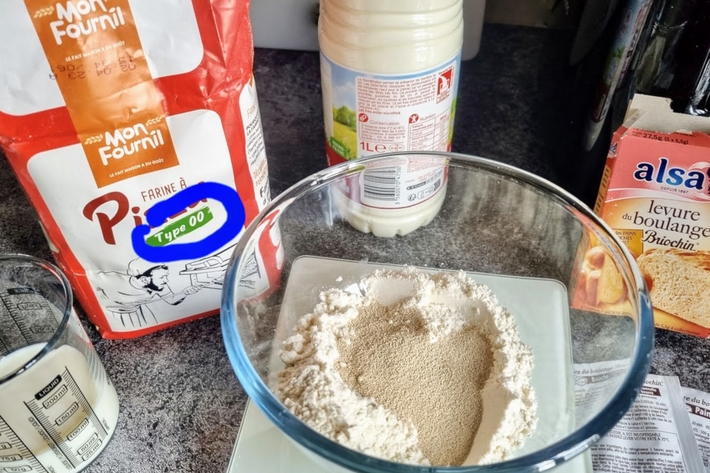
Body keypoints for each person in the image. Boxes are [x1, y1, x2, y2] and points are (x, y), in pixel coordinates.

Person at [95, 261, 202, 328]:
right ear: (144, 279)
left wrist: (186, 292)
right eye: (162, 277)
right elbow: (96, 280)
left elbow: (172, 300)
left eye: (166, 276)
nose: (166, 280)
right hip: (114, 315)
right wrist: (102, 295)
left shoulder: (158, 286)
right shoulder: (117, 280)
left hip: (139, 313)